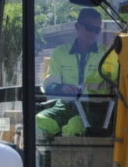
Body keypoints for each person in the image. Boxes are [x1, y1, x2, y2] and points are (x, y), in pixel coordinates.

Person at [36, 7, 118, 140]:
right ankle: (48, 157)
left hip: (94, 108)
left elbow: (115, 85)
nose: (93, 33)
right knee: (40, 120)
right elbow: (50, 84)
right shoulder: (59, 53)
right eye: (89, 28)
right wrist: (63, 88)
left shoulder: (107, 55)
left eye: (97, 30)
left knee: (75, 125)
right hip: (65, 105)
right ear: (77, 26)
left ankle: (66, 155)